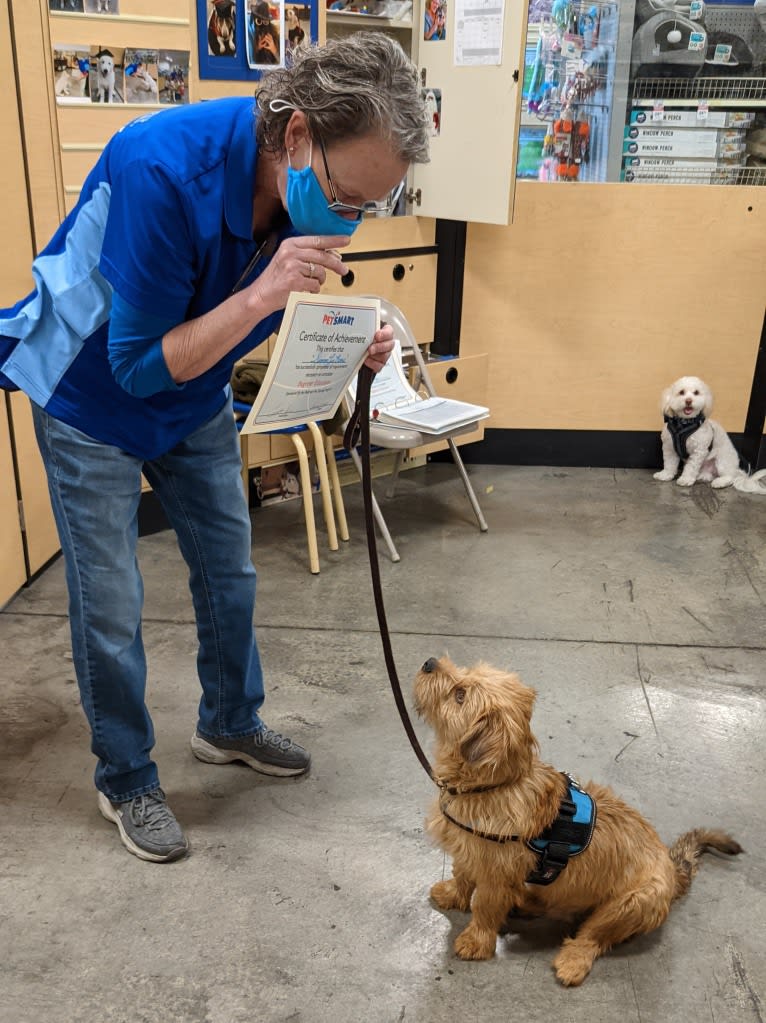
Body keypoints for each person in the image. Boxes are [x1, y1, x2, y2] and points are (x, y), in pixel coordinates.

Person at [0, 32, 430, 863]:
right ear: (297, 135)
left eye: (369, 207)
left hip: (192, 394)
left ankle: (229, 722)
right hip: (93, 395)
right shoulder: (163, 166)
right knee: (113, 599)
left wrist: (351, 343)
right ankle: (124, 775)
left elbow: (266, 321)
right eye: (346, 197)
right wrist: (269, 288)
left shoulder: (309, 184)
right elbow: (133, 363)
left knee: (229, 568)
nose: (348, 222)